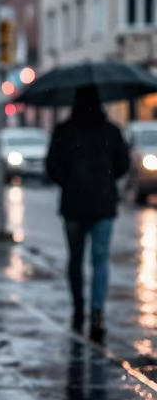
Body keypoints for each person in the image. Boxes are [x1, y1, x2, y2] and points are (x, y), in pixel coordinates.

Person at [46, 84, 130, 339]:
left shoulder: (64, 131)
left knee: (75, 259)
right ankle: (97, 311)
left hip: (73, 204)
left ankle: (78, 309)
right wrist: (105, 181)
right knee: (100, 259)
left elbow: (51, 166)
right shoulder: (111, 131)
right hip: (103, 204)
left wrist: (69, 182)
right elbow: (123, 165)